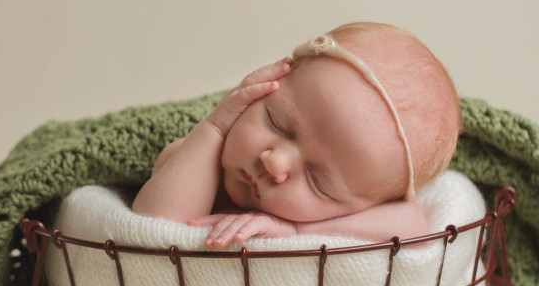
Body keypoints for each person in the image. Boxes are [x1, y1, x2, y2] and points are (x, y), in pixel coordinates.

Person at [131, 22, 460, 247]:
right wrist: (215, 127)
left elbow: (412, 224)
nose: (274, 163)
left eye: (318, 181)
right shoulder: (194, 159)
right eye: (276, 121)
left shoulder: (364, 214)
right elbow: (150, 232)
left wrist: (295, 230)